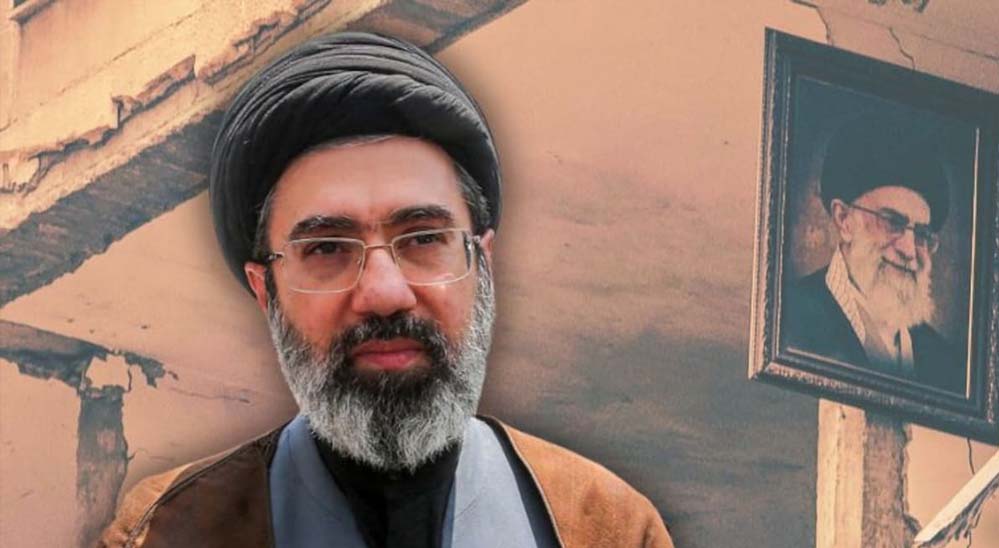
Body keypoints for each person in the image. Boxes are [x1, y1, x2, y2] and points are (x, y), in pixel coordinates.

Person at [99, 32, 672, 547]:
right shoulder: (167, 532)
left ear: (482, 263)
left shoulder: (606, 527)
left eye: (423, 238)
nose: (384, 293)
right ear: (265, 290)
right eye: (327, 248)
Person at [782, 114, 964, 394]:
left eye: (922, 234)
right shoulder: (789, 318)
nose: (909, 250)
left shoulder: (946, 364)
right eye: (892, 222)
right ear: (844, 220)